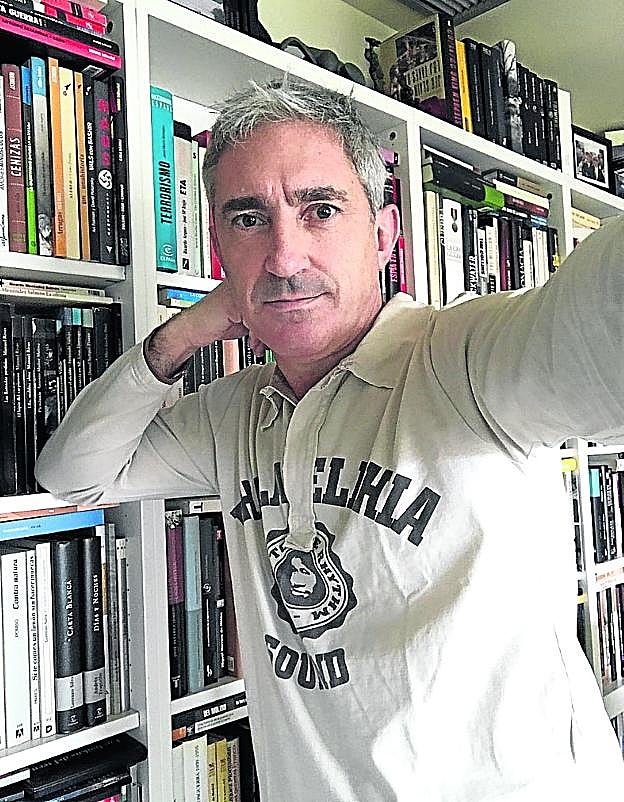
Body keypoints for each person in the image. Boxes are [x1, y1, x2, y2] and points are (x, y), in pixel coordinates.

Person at [35, 78, 624, 801]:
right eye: (249, 219)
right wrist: (185, 331)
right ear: (218, 249)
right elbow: (72, 474)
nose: (284, 258)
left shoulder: (469, 359)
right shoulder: (234, 413)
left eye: (320, 210)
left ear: (383, 236)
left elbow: (599, 318)